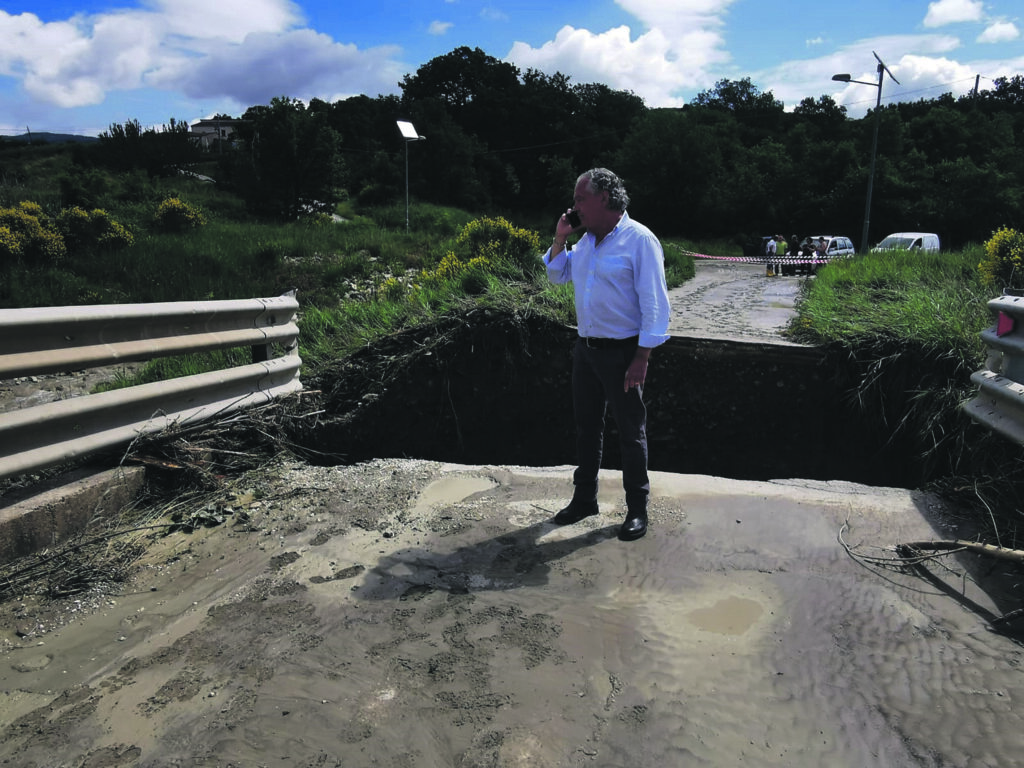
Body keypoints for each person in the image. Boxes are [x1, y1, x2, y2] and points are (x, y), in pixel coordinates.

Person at [543, 168, 670, 541]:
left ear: (604, 199)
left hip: (623, 352)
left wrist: (642, 357)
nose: (574, 205)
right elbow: (556, 275)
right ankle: (584, 500)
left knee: (630, 432)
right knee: (587, 429)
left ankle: (637, 509)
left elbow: (655, 305)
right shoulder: (585, 242)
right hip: (586, 349)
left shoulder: (639, 240)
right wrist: (560, 238)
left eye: (581, 198)